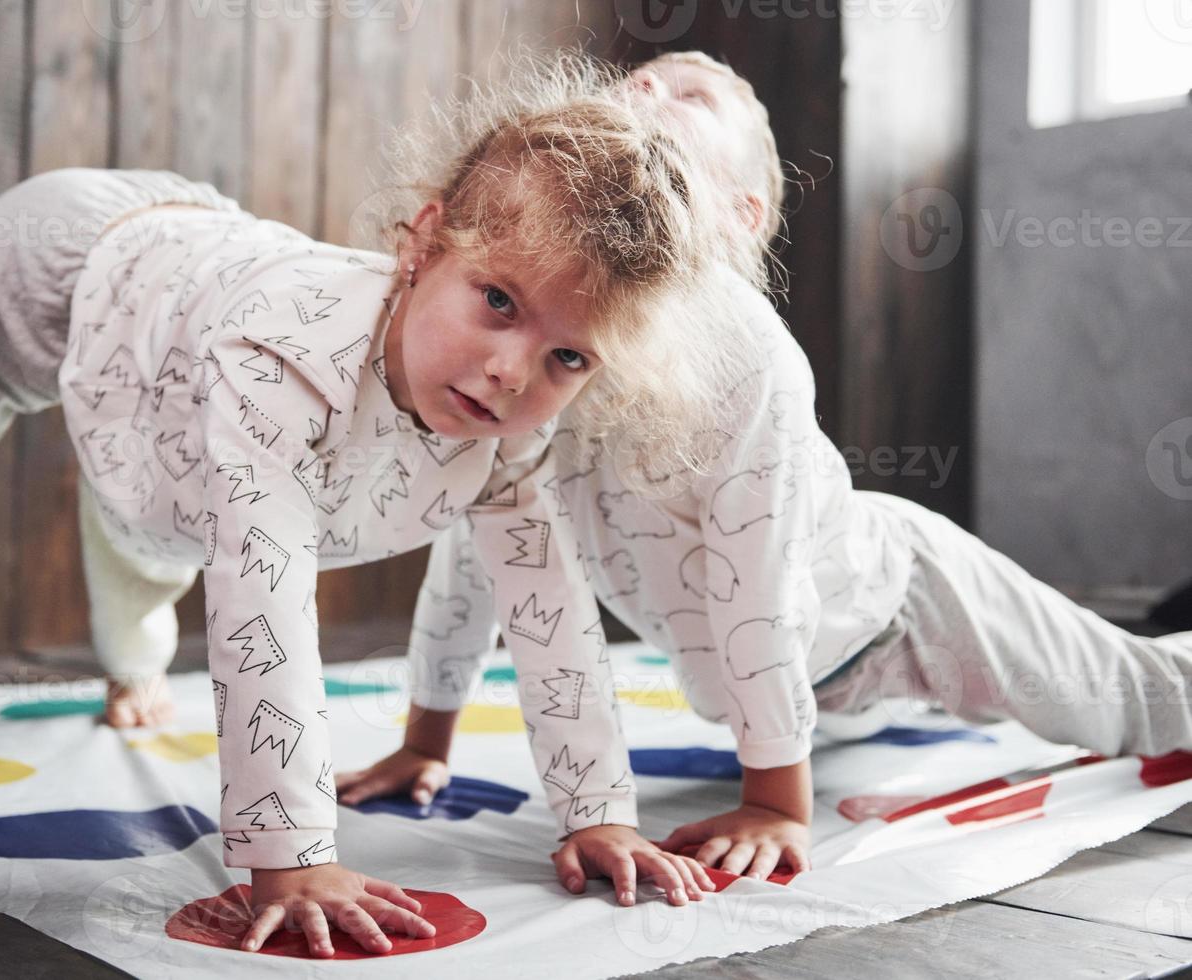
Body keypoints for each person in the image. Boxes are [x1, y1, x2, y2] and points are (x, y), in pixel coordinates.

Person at [0, 50, 752, 955]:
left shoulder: (516, 432)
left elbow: (551, 613)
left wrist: (598, 812)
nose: (507, 373)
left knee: (160, 518)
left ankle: (129, 660)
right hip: (63, 265)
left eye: (565, 355)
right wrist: (291, 855)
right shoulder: (280, 362)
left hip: (173, 359)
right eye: (496, 302)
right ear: (424, 240)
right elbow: (264, 602)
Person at [336, 50, 1192, 888]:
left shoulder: (746, 360)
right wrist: (427, 739)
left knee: (1145, 701)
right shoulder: (542, 345)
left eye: (692, 96)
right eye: (639, 77)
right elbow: (481, 545)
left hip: (904, 608)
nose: (645, 84)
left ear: (738, 217)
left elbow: (763, 583)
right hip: (797, 688)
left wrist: (778, 802)